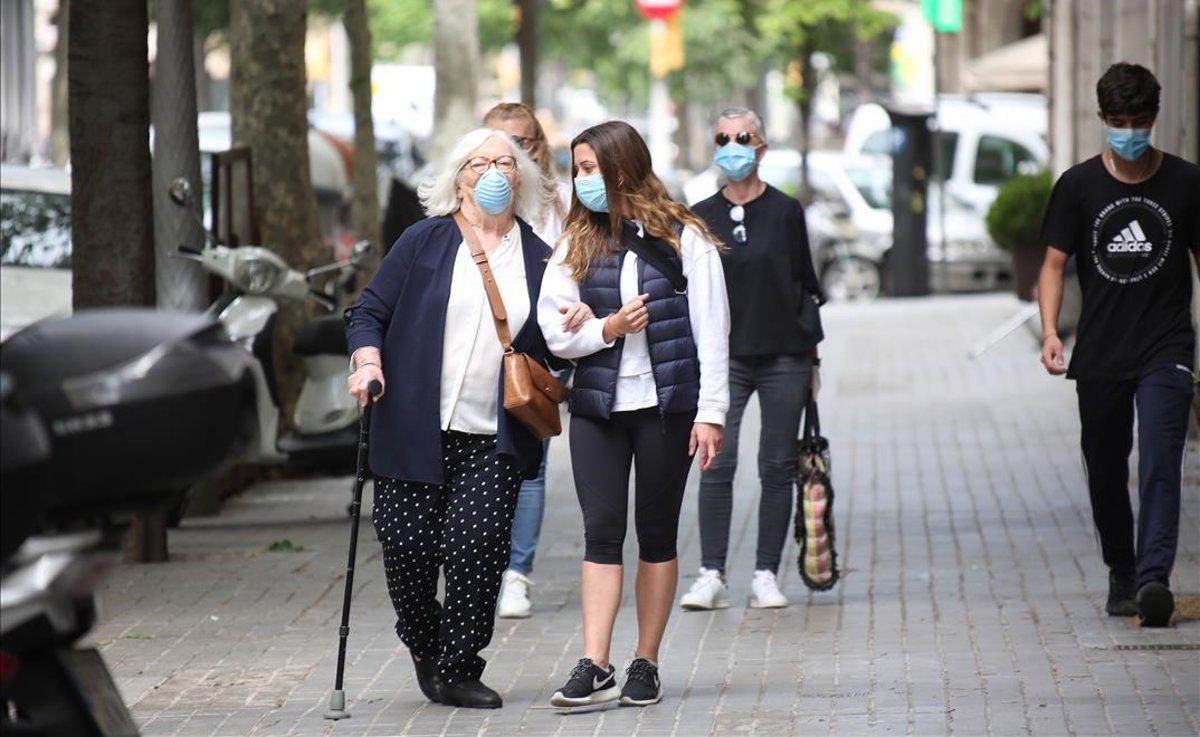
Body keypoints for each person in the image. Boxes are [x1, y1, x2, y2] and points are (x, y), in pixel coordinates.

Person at [343, 127, 569, 709]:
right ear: (458, 177)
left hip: (495, 434)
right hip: (413, 427)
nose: (491, 173)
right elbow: (368, 310)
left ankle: (463, 665)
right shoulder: (425, 241)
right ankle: (426, 645)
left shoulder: (544, 259)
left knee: (479, 545)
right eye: (477, 162)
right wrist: (368, 361)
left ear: (519, 176)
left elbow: (560, 340)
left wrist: (586, 326)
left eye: (503, 162)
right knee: (407, 547)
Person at [538, 120, 730, 708]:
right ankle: (595, 661)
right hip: (598, 408)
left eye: (590, 168)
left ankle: (645, 661)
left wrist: (712, 413)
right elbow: (553, 330)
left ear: (622, 168)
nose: (581, 180)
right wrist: (605, 329)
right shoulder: (577, 242)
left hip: (667, 406)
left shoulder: (683, 237)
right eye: (577, 169)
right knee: (600, 533)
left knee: (656, 534)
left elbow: (713, 328)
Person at [1037, 62, 1199, 628]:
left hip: (1167, 346)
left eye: (1138, 120)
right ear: (1102, 118)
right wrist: (1053, 331)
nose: (1128, 131)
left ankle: (1154, 578)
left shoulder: (1186, 183)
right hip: (1101, 351)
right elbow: (1053, 265)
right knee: (1105, 468)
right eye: (1118, 121)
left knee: (1159, 459)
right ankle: (1122, 572)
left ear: (1154, 118)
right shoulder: (1078, 186)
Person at [682, 107, 825, 611]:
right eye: (723, 137)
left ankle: (766, 572)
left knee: (777, 465)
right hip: (724, 358)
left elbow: (806, 286)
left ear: (761, 147)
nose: (733, 145)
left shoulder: (787, 211)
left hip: (784, 354)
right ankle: (711, 573)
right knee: (715, 461)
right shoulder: (698, 215)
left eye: (743, 136)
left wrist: (813, 362)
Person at [482, 103, 570, 619]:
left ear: (537, 147)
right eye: (496, 141)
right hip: (475, 355)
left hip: (535, 356)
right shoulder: (464, 204)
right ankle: (485, 564)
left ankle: (517, 574)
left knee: (531, 467)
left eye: (521, 141)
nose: (509, 152)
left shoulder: (558, 209)